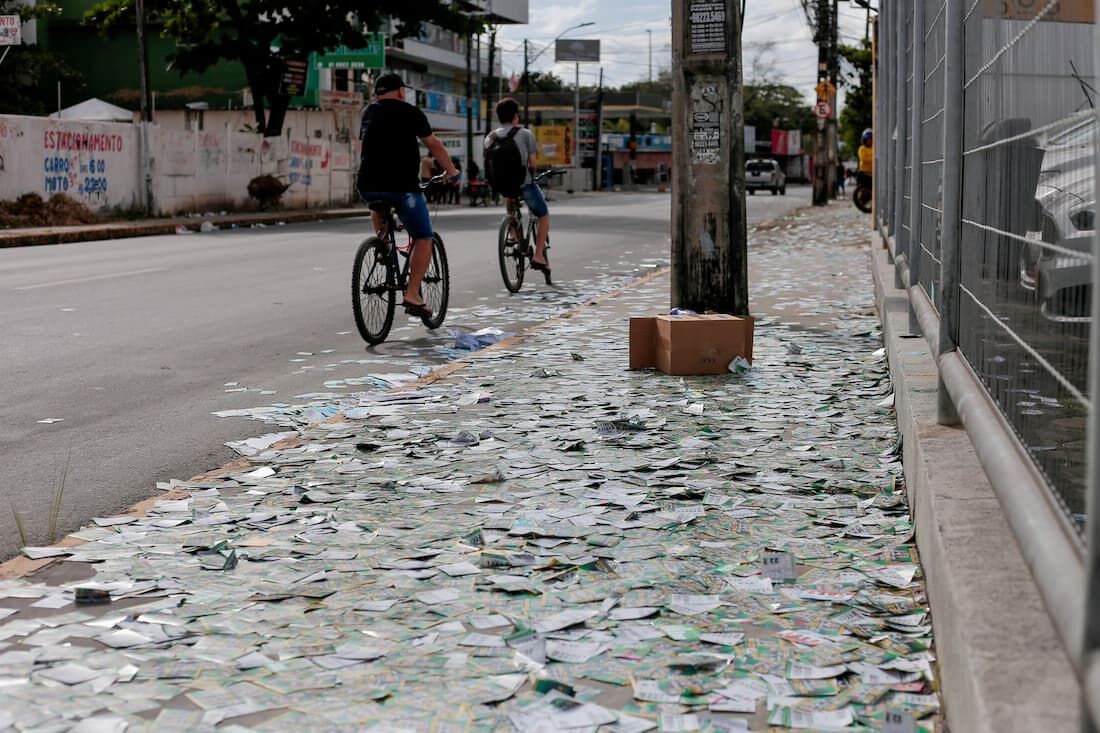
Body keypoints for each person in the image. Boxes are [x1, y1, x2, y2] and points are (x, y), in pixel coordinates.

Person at [358, 72, 458, 319]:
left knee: (378, 203)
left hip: (368, 184)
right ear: (401, 91)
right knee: (424, 237)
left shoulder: (367, 113)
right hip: (402, 187)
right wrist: (451, 171)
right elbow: (433, 144)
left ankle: (384, 246)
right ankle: (412, 293)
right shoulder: (410, 112)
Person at [485, 97, 551, 276]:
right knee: (543, 214)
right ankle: (538, 255)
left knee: (510, 195)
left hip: (501, 185)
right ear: (515, 116)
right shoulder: (525, 134)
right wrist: (532, 173)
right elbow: (532, 164)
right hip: (524, 183)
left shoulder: (490, 137)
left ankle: (513, 232)